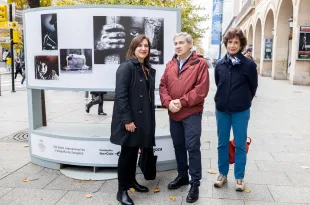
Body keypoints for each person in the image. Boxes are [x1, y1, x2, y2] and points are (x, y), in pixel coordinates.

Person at [159, 32, 210, 203]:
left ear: (190, 44)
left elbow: (201, 90)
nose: (178, 46)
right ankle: (182, 176)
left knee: (192, 147)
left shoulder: (200, 64)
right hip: (174, 113)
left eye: (181, 43)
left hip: (191, 113)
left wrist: (181, 102)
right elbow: (163, 86)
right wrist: (167, 102)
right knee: (178, 145)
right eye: (175, 43)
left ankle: (195, 183)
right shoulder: (170, 64)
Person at [110, 34, 156, 205]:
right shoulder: (126, 67)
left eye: (146, 45)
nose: (143, 48)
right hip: (129, 121)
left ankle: (131, 182)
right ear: (133, 48)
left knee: (134, 152)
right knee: (127, 154)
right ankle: (121, 190)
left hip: (142, 120)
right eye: (140, 46)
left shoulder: (145, 68)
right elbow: (120, 97)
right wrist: (128, 120)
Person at [213, 28, 258, 192]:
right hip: (222, 110)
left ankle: (239, 177)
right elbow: (219, 83)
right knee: (221, 143)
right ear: (226, 43)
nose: (232, 45)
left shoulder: (249, 65)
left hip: (241, 111)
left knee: (240, 144)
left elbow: (253, 87)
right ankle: (222, 174)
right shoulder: (220, 64)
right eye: (230, 42)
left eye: (236, 42)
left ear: (241, 45)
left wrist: (243, 100)